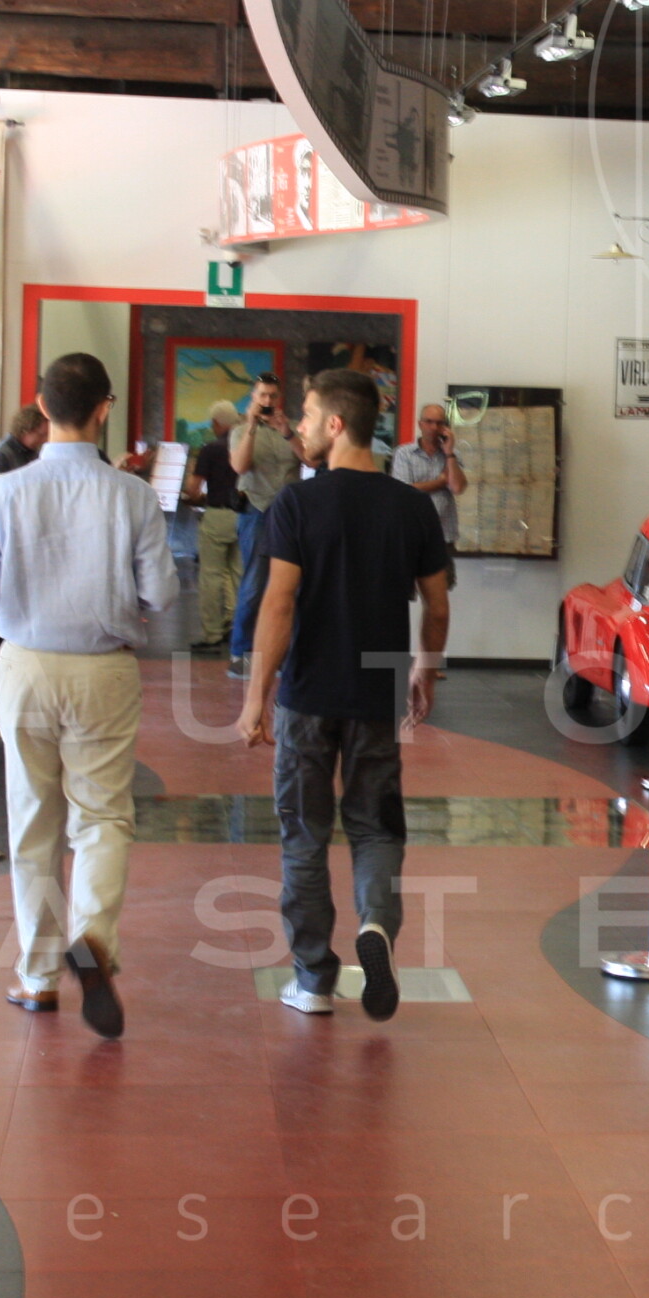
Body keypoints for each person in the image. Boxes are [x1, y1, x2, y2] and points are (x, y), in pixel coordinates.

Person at [0, 353, 177, 1039]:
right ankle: (95, 939)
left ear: (42, 406)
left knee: (33, 823)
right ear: (104, 409)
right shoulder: (133, 495)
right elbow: (161, 594)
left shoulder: (2, 493)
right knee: (103, 817)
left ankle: (38, 975)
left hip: (24, 665)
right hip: (104, 669)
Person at [237, 369, 450, 1021]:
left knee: (304, 834)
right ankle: (376, 924)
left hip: (308, 693)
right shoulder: (411, 507)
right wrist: (425, 670)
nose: (299, 425)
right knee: (375, 826)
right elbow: (437, 604)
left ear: (335, 424)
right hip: (377, 689)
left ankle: (313, 979)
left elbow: (279, 604)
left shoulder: (296, 505)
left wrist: (256, 696)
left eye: (306, 414)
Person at [227, 373, 301, 678]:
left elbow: (311, 460)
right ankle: (241, 654)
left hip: (288, 513)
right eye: (263, 396)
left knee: (290, 585)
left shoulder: (292, 427)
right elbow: (240, 466)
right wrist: (251, 427)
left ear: (279, 398)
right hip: (255, 511)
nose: (268, 401)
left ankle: (283, 655)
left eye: (272, 395)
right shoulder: (240, 431)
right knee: (254, 585)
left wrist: (287, 433)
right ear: (253, 398)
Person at [182, 400, 244, 651]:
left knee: (211, 575)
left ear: (217, 423)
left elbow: (193, 489)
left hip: (217, 515)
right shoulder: (246, 446)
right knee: (239, 575)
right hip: (245, 517)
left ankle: (213, 634)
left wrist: (196, 497)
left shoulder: (211, 449)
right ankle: (238, 627)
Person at [388, 402, 467, 590]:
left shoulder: (453, 455)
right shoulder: (404, 453)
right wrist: (440, 482)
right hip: (411, 534)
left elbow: (457, 487)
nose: (434, 427)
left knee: (440, 594)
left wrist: (449, 454)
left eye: (439, 423)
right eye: (429, 422)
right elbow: (402, 491)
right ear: (420, 424)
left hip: (442, 535)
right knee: (404, 592)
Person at [0, 404, 48, 474]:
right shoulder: (0, 456)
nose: (45, 440)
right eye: (42, 435)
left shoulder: (35, 451)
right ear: (26, 430)